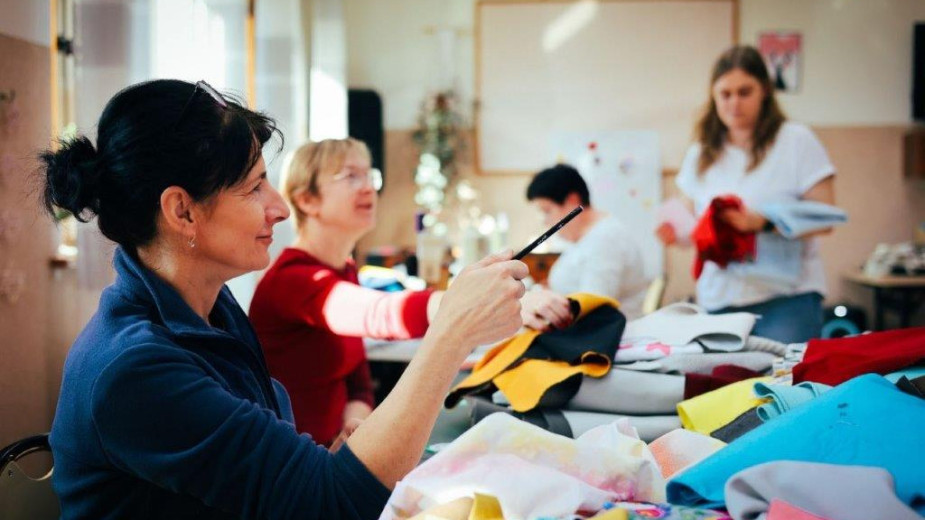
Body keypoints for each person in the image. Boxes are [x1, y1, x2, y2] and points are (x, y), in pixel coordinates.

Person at [40, 79, 527, 519]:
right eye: (254, 187)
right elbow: (331, 505)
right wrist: (452, 332)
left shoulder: (212, 309)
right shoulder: (133, 370)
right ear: (182, 211)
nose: (277, 207)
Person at [249, 138, 443, 446]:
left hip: (334, 456)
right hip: (295, 467)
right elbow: (382, 314)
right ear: (307, 200)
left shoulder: (345, 269)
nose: (368, 188)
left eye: (369, 176)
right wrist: (458, 302)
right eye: (351, 176)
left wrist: (356, 427)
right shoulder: (293, 279)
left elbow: (358, 382)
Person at [657, 45, 839, 343]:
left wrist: (762, 223)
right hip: (720, 300)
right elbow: (691, 223)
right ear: (713, 96)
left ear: (765, 91)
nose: (734, 103)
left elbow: (826, 216)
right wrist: (675, 232)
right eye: (725, 94)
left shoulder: (796, 140)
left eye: (745, 92)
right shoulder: (701, 152)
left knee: (784, 386)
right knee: (726, 387)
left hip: (787, 299)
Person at [521, 163, 648, 329]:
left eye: (547, 211)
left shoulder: (606, 239)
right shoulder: (586, 238)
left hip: (606, 340)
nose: (546, 221)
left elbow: (592, 308)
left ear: (573, 201)